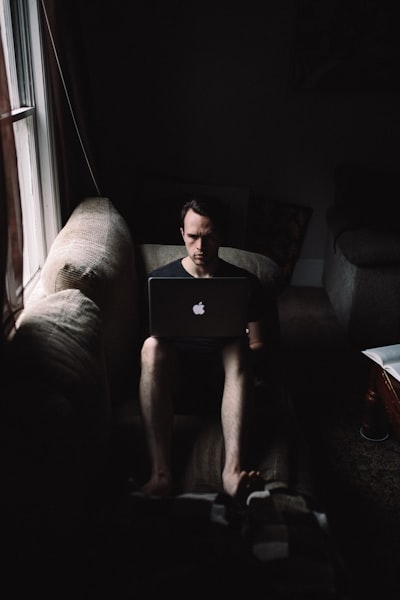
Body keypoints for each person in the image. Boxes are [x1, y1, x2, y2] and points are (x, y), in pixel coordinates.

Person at [138, 196, 270, 500]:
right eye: (193, 236)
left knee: (237, 346)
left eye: (208, 237)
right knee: (151, 346)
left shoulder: (244, 282)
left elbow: (260, 343)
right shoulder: (159, 281)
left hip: (227, 383)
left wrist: (241, 346)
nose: (200, 246)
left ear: (221, 235)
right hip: (176, 382)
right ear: (182, 234)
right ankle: (160, 475)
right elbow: (150, 352)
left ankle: (232, 472)